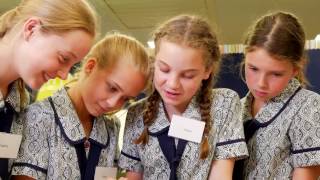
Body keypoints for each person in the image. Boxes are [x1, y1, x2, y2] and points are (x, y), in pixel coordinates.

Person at [118, 14, 248, 180]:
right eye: (164, 69)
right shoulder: (137, 114)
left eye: (187, 75)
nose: (173, 84)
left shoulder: (224, 104)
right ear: (154, 63)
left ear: (207, 71)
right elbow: (134, 176)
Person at [10, 33, 150, 179]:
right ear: (90, 67)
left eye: (125, 99)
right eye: (112, 88)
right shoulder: (39, 117)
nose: (113, 103)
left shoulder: (111, 127)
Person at [0, 0, 97, 179]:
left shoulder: (19, 100)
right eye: (63, 58)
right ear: (31, 29)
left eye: (73, 66)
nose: (64, 75)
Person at [235, 11, 320, 179]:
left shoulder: (309, 107)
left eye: (276, 74)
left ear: (295, 69)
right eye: (253, 68)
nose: (261, 83)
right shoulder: (235, 107)